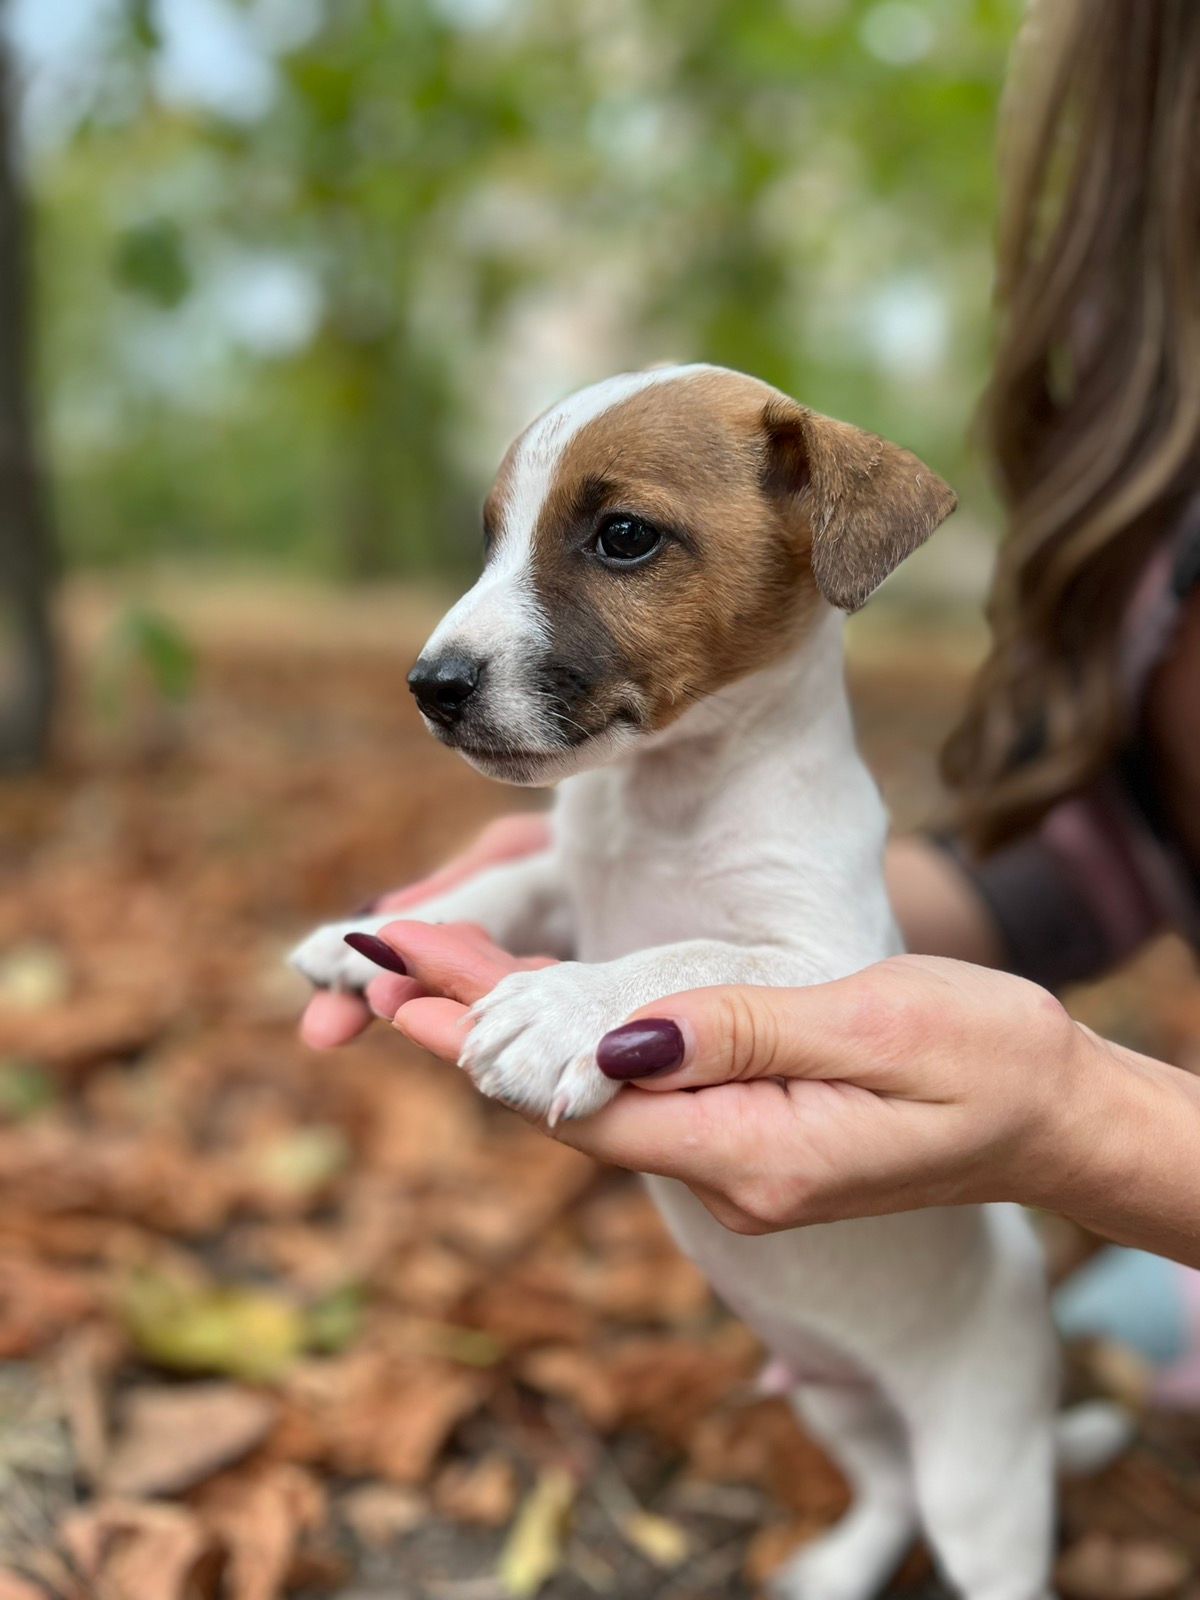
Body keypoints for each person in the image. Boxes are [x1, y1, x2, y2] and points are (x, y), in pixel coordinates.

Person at [300, 0, 1200, 1276]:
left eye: (619, 541)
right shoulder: (1152, 502)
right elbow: (1116, 851)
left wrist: (1082, 1122)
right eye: (502, 542)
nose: (462, 639)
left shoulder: (823, 478)